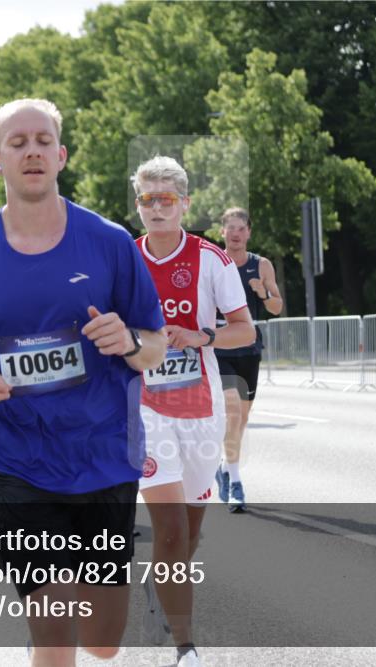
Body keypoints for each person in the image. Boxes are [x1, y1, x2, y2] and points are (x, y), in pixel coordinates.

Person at [0, 98, 166, 667]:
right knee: (54, 623)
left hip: (103, 457)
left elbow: (154, 345)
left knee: (102, 642)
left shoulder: (107, 243)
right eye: (17, 142)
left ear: (61, 155)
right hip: (16, 463)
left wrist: (127, 341)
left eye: (42, 141)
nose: (31, 150)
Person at [131, 157, 255, 667]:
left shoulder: (212, 261)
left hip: (200, 409)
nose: (156, 208)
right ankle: (187, 648)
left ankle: (162, 586)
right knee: (171, 532)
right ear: (137, 204)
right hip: (145, 410)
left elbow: (245, 330)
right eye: (147, 199)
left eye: (166, 199)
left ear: (185, 204)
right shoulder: (124, 259)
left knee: (192, 532)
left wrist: (202, 335)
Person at [213, 207, 284, 513]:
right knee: (231, 411)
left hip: (249, 350)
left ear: (249, 233)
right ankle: (236, 482)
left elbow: (277, 307)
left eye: (241, 228)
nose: (236, 234)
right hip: (220, 349)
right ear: (222, 232)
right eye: (231, 228)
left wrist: (263, 293)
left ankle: (225, 468)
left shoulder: (261, 265)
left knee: (240, 420)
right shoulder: (212, 262)